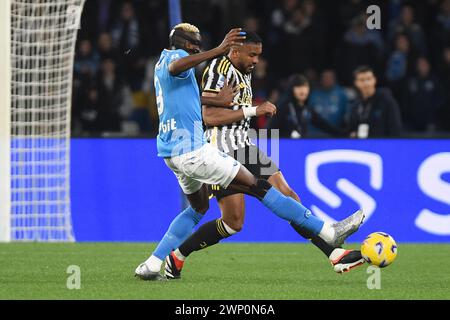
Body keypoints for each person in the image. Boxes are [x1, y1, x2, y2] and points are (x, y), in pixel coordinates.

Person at [134, 23, 364, 281]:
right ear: (234, 52)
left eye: (258, 55)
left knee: (287, 193)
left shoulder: (242, 70)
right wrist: (251, 110)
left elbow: (193, 98)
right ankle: (177, 256)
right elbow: (207, 116)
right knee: (234, 221)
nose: (256, 60)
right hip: (220, 145)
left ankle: (334, 254)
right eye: (251, 55)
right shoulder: (217, 68)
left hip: (244, 143)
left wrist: (217, 101)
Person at [268, 74, 347, 138]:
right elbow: (269, 129)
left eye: (305, 87)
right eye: (298, 87)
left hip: (300, 147)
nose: (302, 91)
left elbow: (323, 125)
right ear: (291, 89)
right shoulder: (283, 107)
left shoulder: (306, 109)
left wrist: (345, 134)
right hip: (283, 148)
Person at [349, 66, 402, 138]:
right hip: (361, 146)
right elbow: (351, 129)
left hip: (383, 146)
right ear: (356, 83)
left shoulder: (387, 101)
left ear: (374, 80)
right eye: (362, 80)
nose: (366, 83)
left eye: (369, 79)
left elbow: (395, 129)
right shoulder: (355, 106)